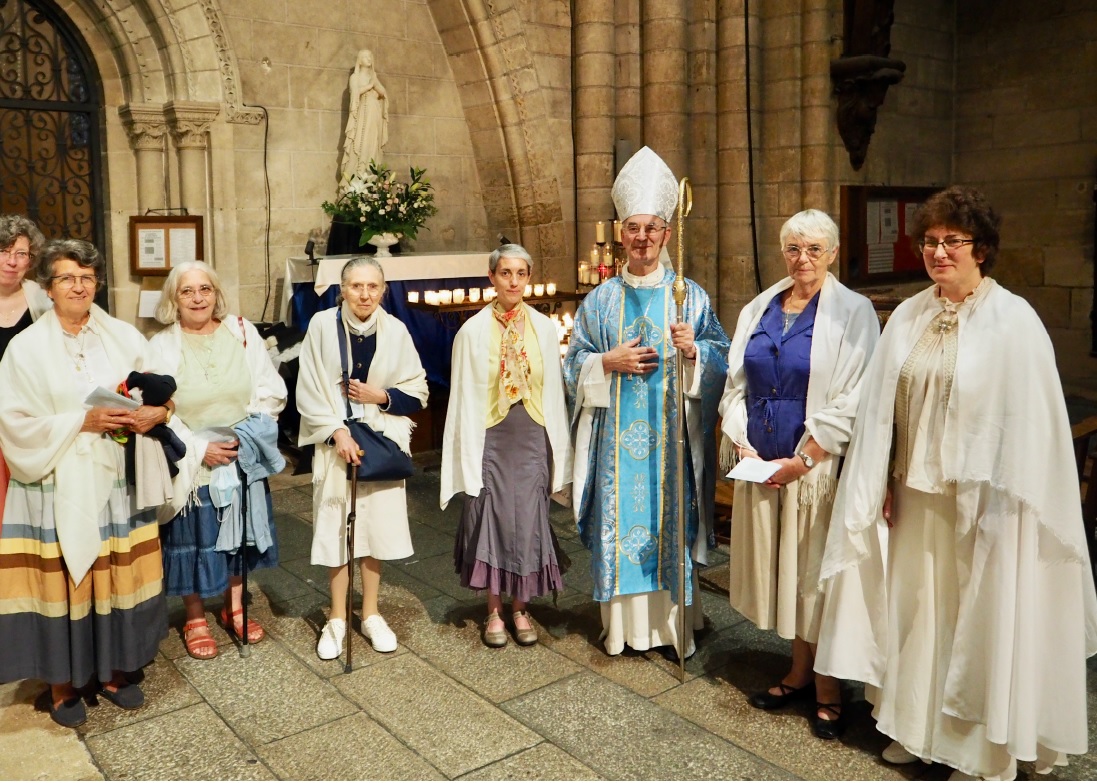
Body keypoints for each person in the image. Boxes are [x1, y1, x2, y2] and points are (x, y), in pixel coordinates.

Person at [816, 186, 1097, 779]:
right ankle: (917, 729)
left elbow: (1029, 425)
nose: (939, 252)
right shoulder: (911, 315)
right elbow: (882, 410)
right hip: (918, 499)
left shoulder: (1013, 321)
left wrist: (1000, 492)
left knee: (976, 618)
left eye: (953, 242)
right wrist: (886, 477)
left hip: (984, 503)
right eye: (930, 242)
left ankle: (976, 747)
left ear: (983, 250)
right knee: (919, 612)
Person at [718, 209, 879, 740]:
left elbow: (858, 395)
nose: (801, 259)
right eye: (792, 248)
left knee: (817, 574)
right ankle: (799, 670)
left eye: (813, 249)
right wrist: (740, 437)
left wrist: (806, 458)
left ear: (833, 253)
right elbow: (736, 381)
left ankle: (830, 685)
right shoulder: (760, 307)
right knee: (787, 571)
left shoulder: (854, 312)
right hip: (763, 463)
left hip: (815, 467)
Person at [563, 146, 730, 659]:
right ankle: (625, 628)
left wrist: (694, 353)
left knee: (669, 522)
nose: (642, 238)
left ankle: (675, 625)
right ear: (621, 234)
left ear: (664, 233)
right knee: (625, 519)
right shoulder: (601, 300)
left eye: (652, 228)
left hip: (670, 446)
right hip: (617, 444)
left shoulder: (690, 297)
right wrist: (604, 363)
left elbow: (722, 357)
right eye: (633, 228)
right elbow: (573, 363)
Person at [0, 239, 170, 727]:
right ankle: (62, 681)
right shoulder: (25, 348)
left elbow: (160, 387)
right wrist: (80, 421)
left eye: (87, 278)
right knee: (63, 581)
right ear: (48, 288)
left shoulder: (121, 335)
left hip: (116, 474)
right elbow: (11, 420)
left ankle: (117, 668)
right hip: (53, 478)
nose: (79, 286)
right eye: (68, 278)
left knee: (117, 571)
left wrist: (158, 411)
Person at [148, 261, 288, 660]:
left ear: (216, 293)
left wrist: (250, 432)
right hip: (193, 458)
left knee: (238, 539)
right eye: (187, 291)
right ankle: (194, 616)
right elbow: (158, 410)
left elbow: (270, 389)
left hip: (240, 453)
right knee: (192, 540)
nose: (197, 298)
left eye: (204, 289)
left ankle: (235, 607)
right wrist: (198, 447)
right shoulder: (161, 346)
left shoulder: (242, 332)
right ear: (174, 298)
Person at [440, 244, 573, 647]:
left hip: (532, 433)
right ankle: (494, 609)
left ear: (528, 278)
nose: (513, 281)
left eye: (521, 273)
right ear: (492, 277)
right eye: (505, 273)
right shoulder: (472, 332)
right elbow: (462, 396)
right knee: (491, 519)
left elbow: (554, 390)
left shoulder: (544, 329)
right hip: (490, 437)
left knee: (529, 519)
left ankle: (521, 607)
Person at [297, 256, 428, 659]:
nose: (365, 294)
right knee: (340, 528)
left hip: (381, 438)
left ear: (384, 290)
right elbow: (309, 386)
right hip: (335, 437)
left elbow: (418, 391)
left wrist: (382, 396)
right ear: (342, 289)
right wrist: (336, 432)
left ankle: (370, 612)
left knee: (375, 528)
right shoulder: (322, 326)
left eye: (373, 287)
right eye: (357, 286)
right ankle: (337, 617)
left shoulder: (396, 329)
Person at [0, 214, 51, 360]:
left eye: (21, 254)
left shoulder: (45, 300)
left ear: (30, 261)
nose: (12, 261)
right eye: (3, 251)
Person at [341, 49, 389, 182]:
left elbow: (383, 92)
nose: (369, 59)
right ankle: (358, 173)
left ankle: (370, 172)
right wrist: (369, 86)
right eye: (365, 57)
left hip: (374, 112)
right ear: (360, 60)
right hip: (363, 113)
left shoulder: (373, 77)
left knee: (373, 141)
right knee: (362, 140)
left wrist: (374, 84)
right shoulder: (355, 77)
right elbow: (354, 92)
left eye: (370, 56)